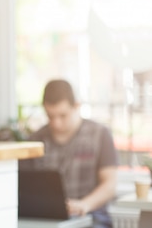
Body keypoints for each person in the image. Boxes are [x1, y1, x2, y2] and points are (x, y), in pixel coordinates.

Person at [20, 79, 118, 228]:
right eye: (50, 116)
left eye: (62, 115)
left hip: (92, 216)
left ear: (76, 106)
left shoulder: (100, 135)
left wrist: (85, 204)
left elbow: (110, 185)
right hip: (49, 220)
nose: (56, 123)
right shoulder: (35, 141)